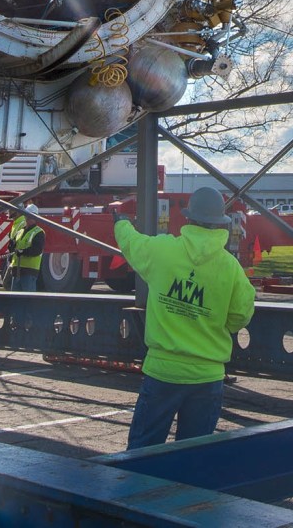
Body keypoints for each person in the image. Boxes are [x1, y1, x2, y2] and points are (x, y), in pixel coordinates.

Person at [113, 186, 257, 449]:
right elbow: (240, 316)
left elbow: (131, 244)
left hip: (162, 372)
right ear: (220, 223)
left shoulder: (163, 251)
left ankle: (137, 491)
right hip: (207, 376)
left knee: (141, 456)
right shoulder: (230, 268)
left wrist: (121, 224)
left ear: (189, 218)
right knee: (192, 459)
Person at [6, 204, 45, 291]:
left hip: (29, 271)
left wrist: (23, 252)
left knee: (28, 300)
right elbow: (13, 248)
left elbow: (37, 250)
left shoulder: (38, 232)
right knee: (15, 301)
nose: (28, 219)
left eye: (30, 217)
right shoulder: (20, 231)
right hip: (17, 271)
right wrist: (11, 245)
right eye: (27, 216)